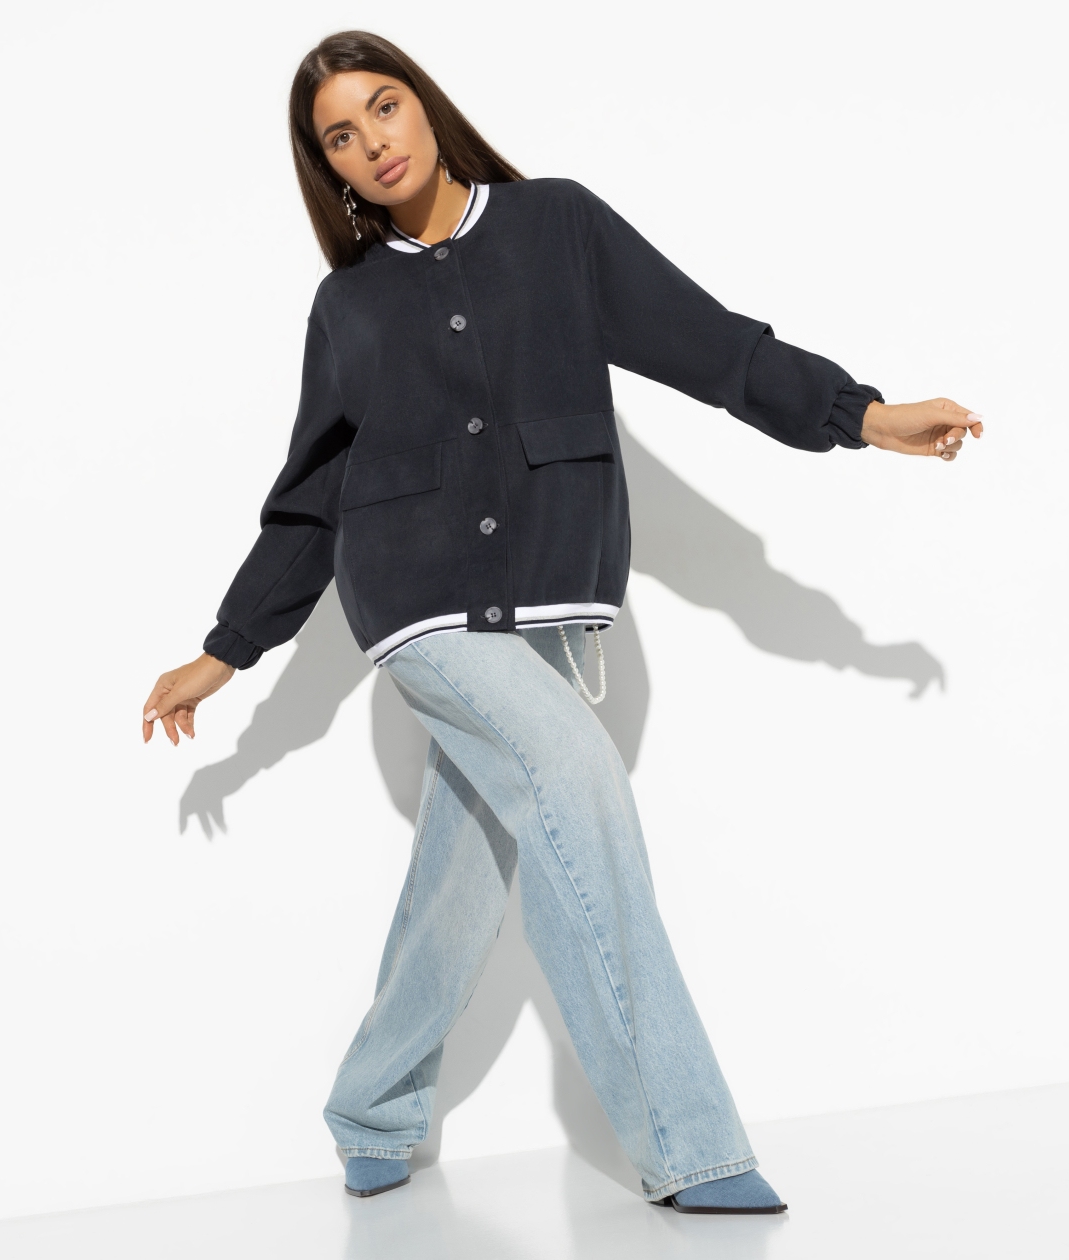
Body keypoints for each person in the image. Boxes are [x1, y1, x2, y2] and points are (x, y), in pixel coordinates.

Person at [141, 31, 982, 1214]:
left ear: (426, 108)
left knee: (463, 875)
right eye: (340, 135)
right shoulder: (349, 305)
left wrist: (861, 414)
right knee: (580, 784)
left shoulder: (556, 226)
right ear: (328, 168)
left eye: (384, 107)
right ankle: (690, 1147)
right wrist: (225, 649)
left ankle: (371, 1106)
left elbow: (707, 342)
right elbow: (313, 498)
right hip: (419, 609)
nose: (372, 140)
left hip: (548, 601)